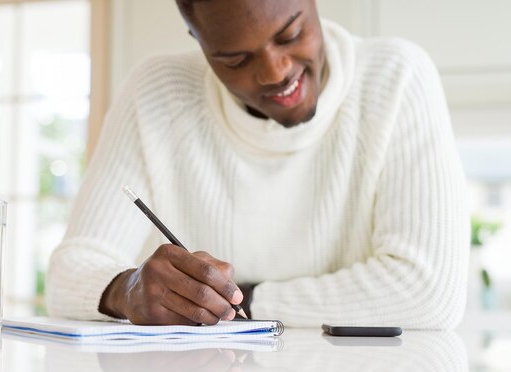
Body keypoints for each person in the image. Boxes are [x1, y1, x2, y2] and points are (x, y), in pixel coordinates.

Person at [46, 0, 469, 328]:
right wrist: (127, 291)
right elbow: (68, 275)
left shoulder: (397, 76)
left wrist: (236, 303)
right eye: (236, 59)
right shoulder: (158, 92)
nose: (275, 72)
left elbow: (429, 292)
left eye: (290, 34)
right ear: (198, 41)